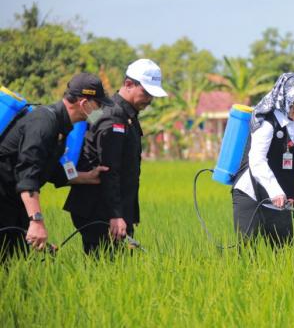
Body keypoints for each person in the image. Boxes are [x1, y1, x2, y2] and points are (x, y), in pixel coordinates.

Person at [0, 73, 113, 260]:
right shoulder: (44, 123)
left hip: (13, 204)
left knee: (15, 259)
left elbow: (51, 171)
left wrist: (87, 177)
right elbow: (28, 175)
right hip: (5, 199)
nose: (100, 110)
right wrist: (37, 222)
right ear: (84, 103)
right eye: (98, 105)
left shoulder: (61, 127)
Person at [64, 59, 168, 254]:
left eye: (152, 94)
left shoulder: (119, 112)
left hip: (105, 208)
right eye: (146, 92)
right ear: (128, 84)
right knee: (106, 267)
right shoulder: (113, 117)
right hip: (98, 210)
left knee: (113, 267)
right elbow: (109, 169)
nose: (149, 99)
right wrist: (115, 216)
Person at [232, 73, 294, 247]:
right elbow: (256, 160)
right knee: (247, 253)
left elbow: (285, 149)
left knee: (284, 252)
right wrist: (275, 191)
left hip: (280, 197)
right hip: (252, 193)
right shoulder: (267, 122)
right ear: (286, 98)